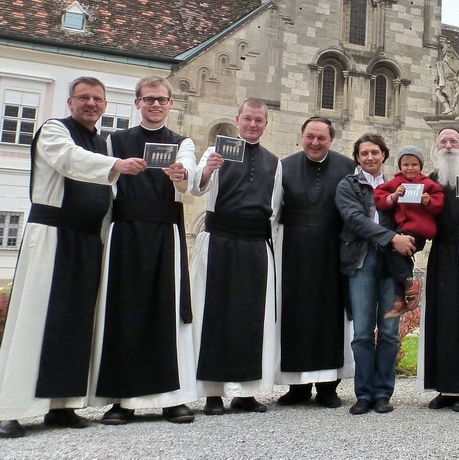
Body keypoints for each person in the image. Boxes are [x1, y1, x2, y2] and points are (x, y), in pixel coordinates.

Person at [0, 76, 144, 439]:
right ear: (70, 102)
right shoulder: (54, 130)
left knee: (77, 324)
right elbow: (69, 160)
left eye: (97, 99)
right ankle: (10, 407)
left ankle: (62, 405)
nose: (91, 103)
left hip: (87, 239)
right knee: (35, 318)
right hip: (53, 234)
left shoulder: (100, 140)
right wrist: (116, 164)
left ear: (105, 105)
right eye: (84, 97)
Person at [92, 77, 197, 426]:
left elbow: (188, 175)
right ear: (137, 102)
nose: (156, 105)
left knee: (167, 310)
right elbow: (103, 185)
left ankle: (172, 399)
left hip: (165, 231)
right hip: (126, 232)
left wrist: (180, 174)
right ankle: (122, 400)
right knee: (124, 310)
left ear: (170, 104)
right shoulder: (115, 140)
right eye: (149, 99)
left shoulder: (182, 142)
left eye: (162, 100)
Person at [190, 98, 282, 416]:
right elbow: (196, 187)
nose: (253, 124)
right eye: (248, 119)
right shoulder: (216, 152)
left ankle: (246, 392)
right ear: (238, 119)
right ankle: (212, 393)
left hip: (255, 243)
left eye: (259, 120)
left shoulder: (274, 162)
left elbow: (275, 209)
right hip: (220, 240)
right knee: (213, 315)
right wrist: (207, 170)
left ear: (266, 124)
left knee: (251, 318)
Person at [275, 117, 355, 408]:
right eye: (310, 136)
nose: (315, 142)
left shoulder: (348, 167)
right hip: (293, 252)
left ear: (331, 140)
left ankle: (328, 386)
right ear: (301, 137)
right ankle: (296, 387)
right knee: (294, 315)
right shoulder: (284, 166)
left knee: (330, 316)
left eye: (321, 138)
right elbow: (274, 210)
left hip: (332, 252)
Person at [336, 134, 416, 416]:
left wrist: (410, 239)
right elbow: (354, 219)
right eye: (364, 153)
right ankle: (363, 393)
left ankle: (383, 393)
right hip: (361, 261)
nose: (369, 157)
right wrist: (392, 238)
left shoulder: (398, 186)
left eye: (375, 152)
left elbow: (412, 220)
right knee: (362, 332)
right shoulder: (348, 185)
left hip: (392, 265)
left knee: (390, 332)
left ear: (384, 155)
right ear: (357, 158)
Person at [418, 128, 459, 412]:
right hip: (441, 252)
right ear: (436, 146)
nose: (448, 145)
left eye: (453, 140)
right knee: (440, 317)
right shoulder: (429, 181)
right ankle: (444, 386)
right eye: (443, 141)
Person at [374, 146, 445, 318]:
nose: (410, 168)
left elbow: (439, 203)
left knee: (389, 246)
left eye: (414, 164)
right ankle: (400, 300)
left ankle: (409, 284)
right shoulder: (396, 182)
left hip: (418, 231)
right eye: (405, 165)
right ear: (400, 166)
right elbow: (379, 197)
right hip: (402, 229)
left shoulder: (427, 184)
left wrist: (428, 201)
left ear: (420, 166)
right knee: (398, 258)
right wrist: (393, 196)